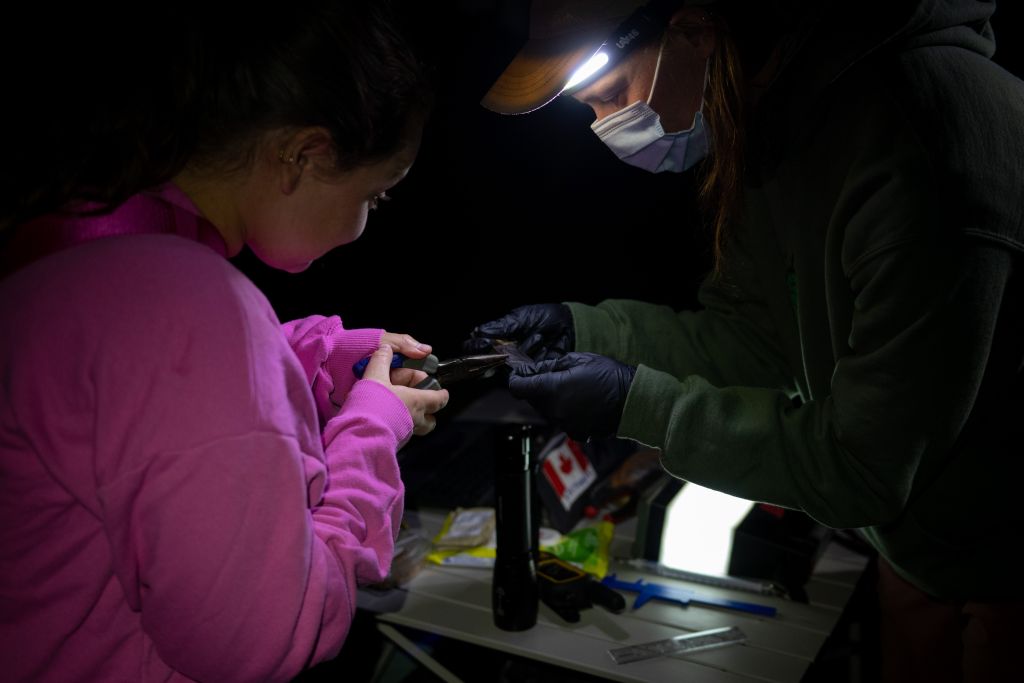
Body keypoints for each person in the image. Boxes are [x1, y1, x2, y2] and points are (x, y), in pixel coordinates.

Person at [466, 0, 1024, 680]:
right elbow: (756, 341)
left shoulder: (921, 142)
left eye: (611, 95)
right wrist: (587, 330)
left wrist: (634, 404)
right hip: (917, 543)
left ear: (696, 30)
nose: (604, 125)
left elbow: (862, 467)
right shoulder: (784, 121)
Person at [0, 3, 449, 682]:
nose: (366, 222)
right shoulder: (186, 299)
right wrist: (373, 434)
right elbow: (270, 636)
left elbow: (135, 405)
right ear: (305, 153)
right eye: (375, 195)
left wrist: (307, 359)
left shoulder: (93, 232)